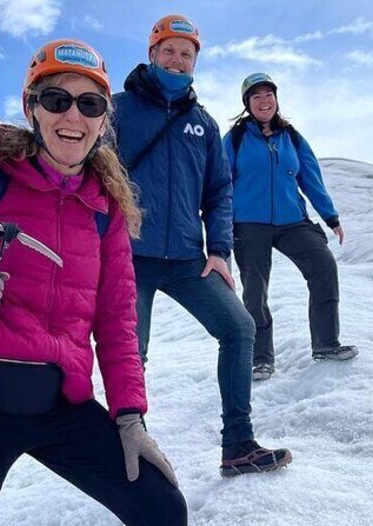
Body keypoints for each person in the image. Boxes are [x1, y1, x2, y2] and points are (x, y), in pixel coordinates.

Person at [0, 39, 191, 526]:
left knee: (164, 511)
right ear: (32, 107)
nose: (72, 116)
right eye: (56, 100)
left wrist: (129, 417)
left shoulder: (105, 210)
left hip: (60, 405)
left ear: (104, 119)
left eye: (89, 104)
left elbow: (117, 320)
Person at [112, 15, 292, 477]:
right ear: (152, 55)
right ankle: (132, 453)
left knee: (238, 327)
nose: (177, 59)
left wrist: (220, 250)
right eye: (168, 51)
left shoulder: (203, 124)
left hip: (190, 257)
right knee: (132, 351)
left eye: (186, 53)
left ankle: (238, 445)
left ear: (195, 62)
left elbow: (219, 192)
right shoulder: (116, 110)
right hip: (128, 256)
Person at [223, 73, 358, 381]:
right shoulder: (236, 138)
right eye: (256, 96)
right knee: (255, 290)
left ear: (276, 99)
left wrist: (330, 216)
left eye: (268, 94)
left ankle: (326, 344)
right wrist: (220, 222)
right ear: (247, 104)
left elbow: (310, 177)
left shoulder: (291, 137)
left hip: (292, 221)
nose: (263, 101)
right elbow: (221, 180)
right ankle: (260, 359)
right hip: (249, 223)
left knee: (324, 266)